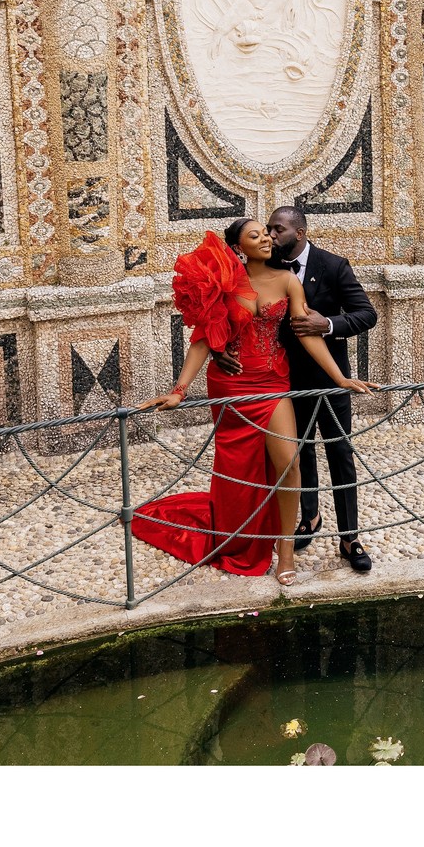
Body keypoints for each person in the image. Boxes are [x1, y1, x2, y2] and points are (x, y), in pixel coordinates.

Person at [136, 218, 371, 586]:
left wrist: (340, 378)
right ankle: (241, 532)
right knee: (240, 468)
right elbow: (202, 339)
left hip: (274, 381)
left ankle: (286, 551)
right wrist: (179, 389)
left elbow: (306, 333)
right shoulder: (225, 284)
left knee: (289, 463)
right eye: (255, 235)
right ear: (237, 248)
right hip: (232, 384)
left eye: (266, 233)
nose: (265, 238)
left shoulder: (288, 281)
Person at [213, 205, 378, 571]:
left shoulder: (333, 265)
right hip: (282, 383)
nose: (271, 236)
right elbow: (228, 317)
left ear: (299, 232)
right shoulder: (264, 270)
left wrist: (329, 324)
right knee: (296, 456)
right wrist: (218, 350)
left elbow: (367, 314)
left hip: (327, 378)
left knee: (340, 455)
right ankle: (309, 517)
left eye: (277, 229)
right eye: (266, 230)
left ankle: (349, 539)